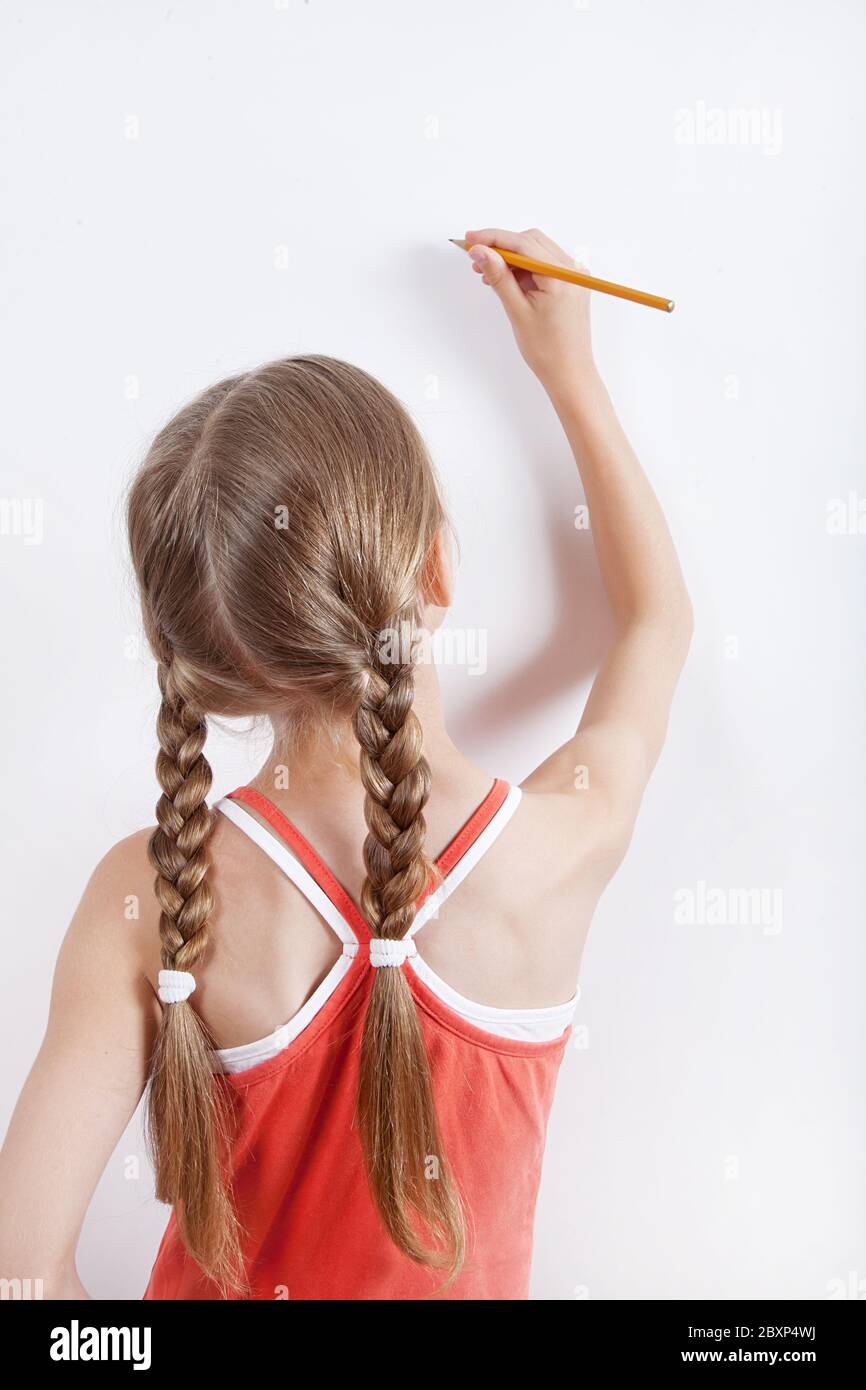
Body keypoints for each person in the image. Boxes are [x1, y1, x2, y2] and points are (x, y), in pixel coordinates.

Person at [0, 227, 693, 1300]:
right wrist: (570, 372)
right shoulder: (561, 845)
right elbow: (652, 623)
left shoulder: (146, 893)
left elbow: (24, 1272)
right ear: (433, 569)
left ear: (204, 662)